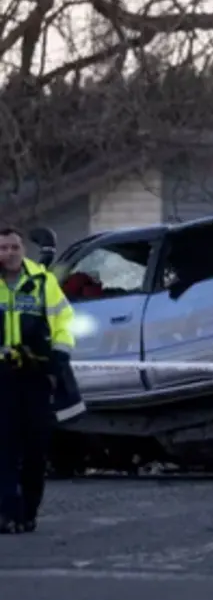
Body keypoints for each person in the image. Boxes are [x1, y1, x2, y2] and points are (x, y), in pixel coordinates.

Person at [0, 225, 78, 534]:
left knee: (35, 448)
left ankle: (29, 511)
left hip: (35, 374)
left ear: (23, 250)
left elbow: (64, 321)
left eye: (13, 248)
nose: (8, 253)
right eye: (3, 248)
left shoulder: (43, 282)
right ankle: (7, 511)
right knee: (3, 448)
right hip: (1, 377)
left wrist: (59, 356)